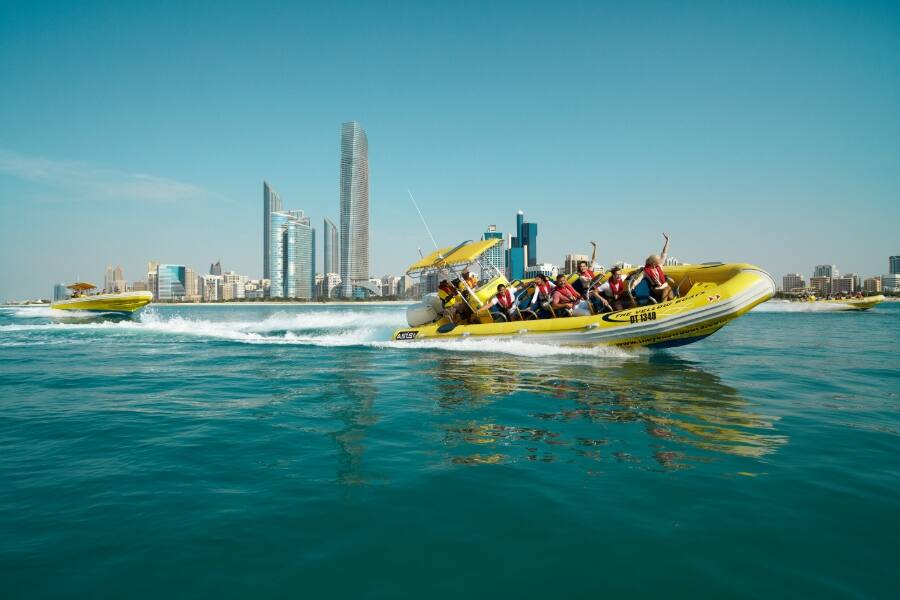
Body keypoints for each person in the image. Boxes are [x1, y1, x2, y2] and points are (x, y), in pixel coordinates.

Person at [631, 232, 674, 302]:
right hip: (656, 289)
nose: (659, 261)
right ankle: (663, 306)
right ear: (653, 262)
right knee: (667, 289)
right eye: (658, 260)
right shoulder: (646, 271)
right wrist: (633, 287)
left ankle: (668, 304)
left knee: (668, 290)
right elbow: (638, 280)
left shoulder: (659, 266)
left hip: (665, 286)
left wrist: (667, 241)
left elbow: (664, 253)